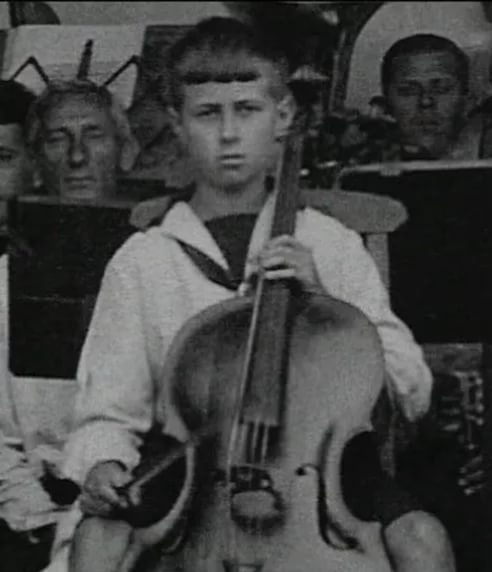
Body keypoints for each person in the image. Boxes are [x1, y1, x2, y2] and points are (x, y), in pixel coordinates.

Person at [46, 17, 454, 572]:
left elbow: (411, 389)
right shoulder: (145, 259)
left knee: (423, 540)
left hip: (323, 474)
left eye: (247, 110)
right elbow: (109, 410)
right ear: (177, 124)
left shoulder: (330, 243)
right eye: (207, 114)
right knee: (98, 541)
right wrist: (102, 465)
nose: (229, 134)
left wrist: (328, 308)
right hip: (190, 474)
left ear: (282, 117)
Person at [0, 78, 139, 572]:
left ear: (126, 152)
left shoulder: (159, 267)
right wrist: (38, 519)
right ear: (37, 163)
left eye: (94, 135)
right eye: (58, 139)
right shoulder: (5, 279)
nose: (78, 156)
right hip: (26, 519)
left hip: (132, 516)